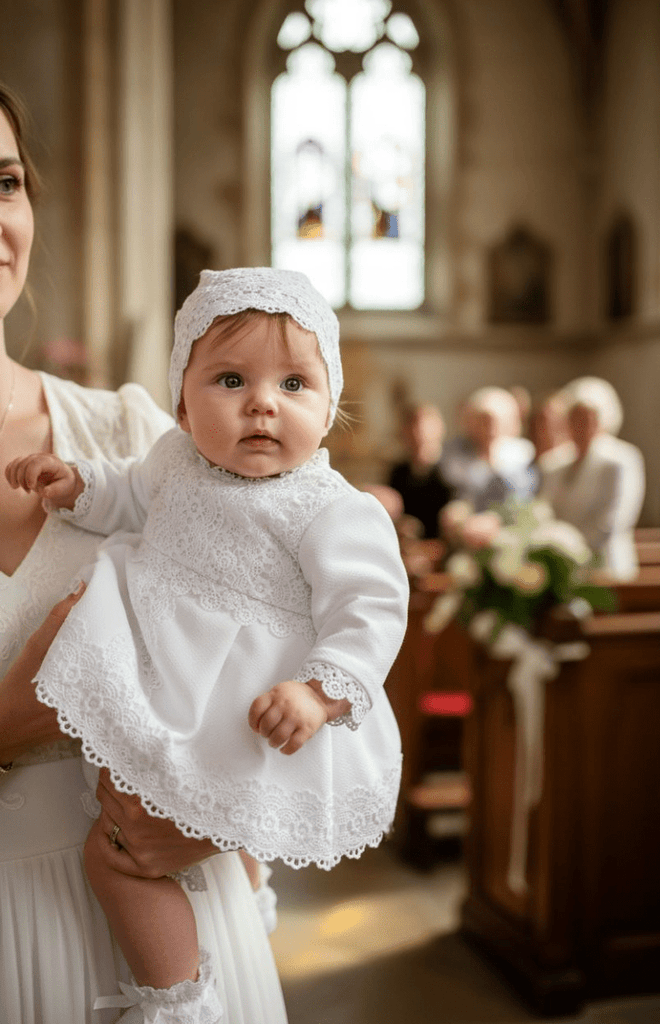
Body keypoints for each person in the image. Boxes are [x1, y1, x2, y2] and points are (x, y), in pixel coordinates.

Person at [8, 267, 408, 1022]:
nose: (262, 402)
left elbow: (372, 606)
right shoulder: (172, 460)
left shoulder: (328, 508)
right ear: (184, 407)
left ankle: (174, 1001)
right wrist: (74, 485)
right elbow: (125, 491)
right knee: (125, 844)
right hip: (176, 690)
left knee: (121, 855)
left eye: (295, 384)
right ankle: (221, 929)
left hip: (247, 710)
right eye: (230, 379)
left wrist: (320, 690)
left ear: (328, 411)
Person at [0, 83, 287, 1024]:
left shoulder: (128, 435)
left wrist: (228, 800)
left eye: (3, 182)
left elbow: (267, 636)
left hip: (176, 908)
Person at [541, 376, 645, 579]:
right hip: (560, 569)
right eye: (576, 417)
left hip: (605, 565)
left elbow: (613, 520)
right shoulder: (553, 463)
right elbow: (544, 510)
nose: (583, 425)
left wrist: (572, 550)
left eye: (589, 417)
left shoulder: (621, 460)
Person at [439, 386, 537, 512]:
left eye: (495, 421)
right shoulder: (454, 452)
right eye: (483, 420)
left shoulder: (522, 453)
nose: (490, 427)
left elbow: (523, 495)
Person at [387, 403, 451, 539]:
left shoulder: (451, 471)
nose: (417, 433)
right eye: (412, 427)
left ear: (439, 429)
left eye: (423, 427)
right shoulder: (398, 472)